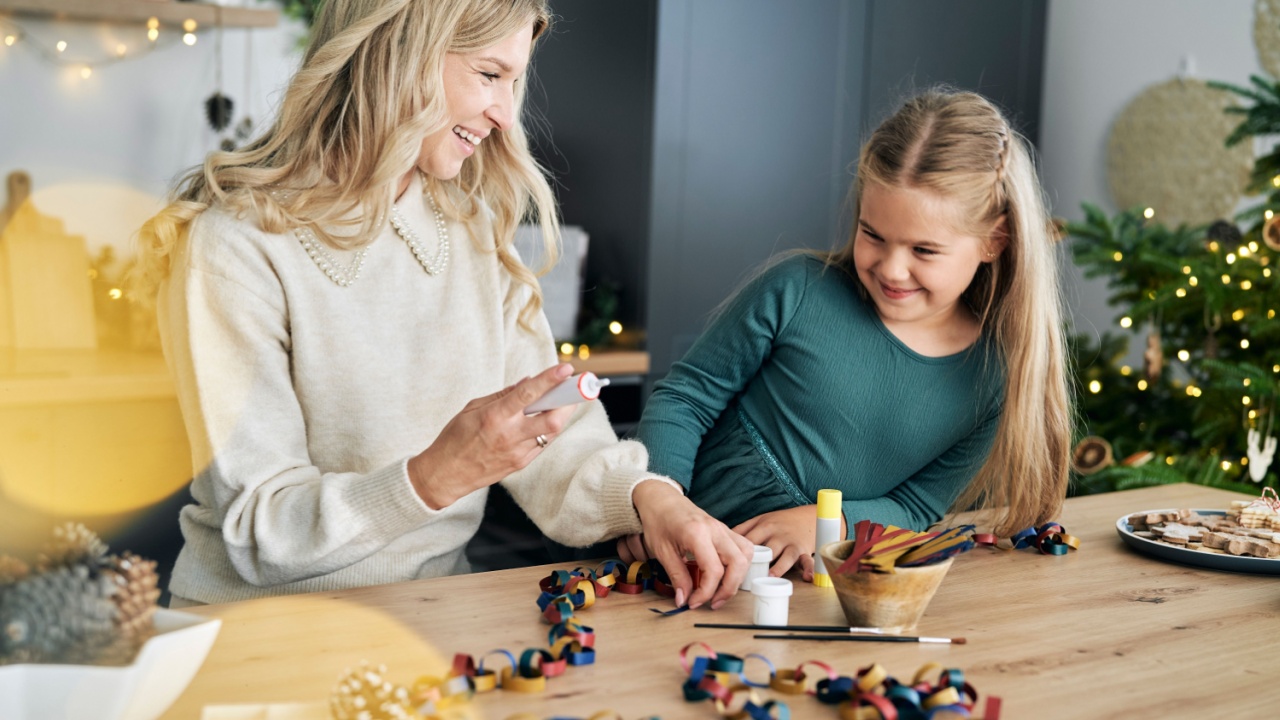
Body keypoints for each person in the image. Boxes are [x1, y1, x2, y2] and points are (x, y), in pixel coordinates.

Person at [132, 0, 750, 608]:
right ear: (399, 54)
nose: (506, 114)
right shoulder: (234, 244)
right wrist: (434, 476)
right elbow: (259, 527)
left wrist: (650, 498)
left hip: (431, 617)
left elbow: (552, 440)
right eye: (488, 74)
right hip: (265, 631)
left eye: (515, 81)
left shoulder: (474, 230)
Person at [626, 88, 1072, 582]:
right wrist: (660, 501)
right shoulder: (796, 289)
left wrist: (830, 523)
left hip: (799, 593)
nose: (892, 268)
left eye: (924, 250)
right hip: (660, 566)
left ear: (994, 241)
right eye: (872, 234)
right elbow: (686, 399)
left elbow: (918, 505)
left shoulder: (993, 380)